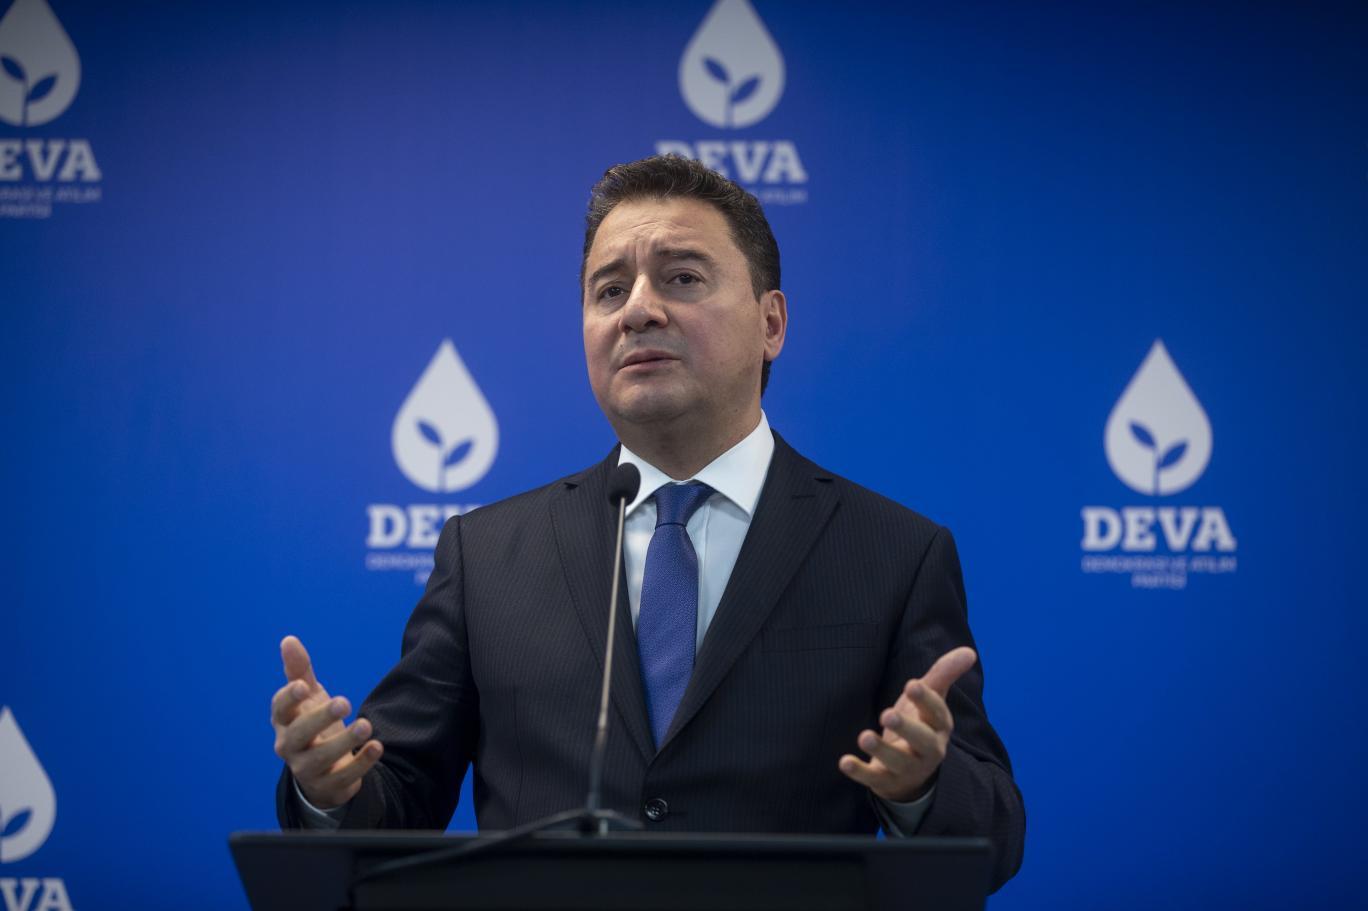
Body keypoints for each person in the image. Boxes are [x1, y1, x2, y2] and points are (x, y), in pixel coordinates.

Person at [270, 155, 1025, 890]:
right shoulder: (485, 554)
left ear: (771, 322)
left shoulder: (893, 553)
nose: (637, 309)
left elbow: (995, 837)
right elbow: (396, 799)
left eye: (682, 278)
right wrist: (330, 790)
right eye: (609, 290)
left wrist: (920, 785)